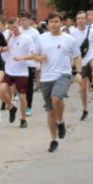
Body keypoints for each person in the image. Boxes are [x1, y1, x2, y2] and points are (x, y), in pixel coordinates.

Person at [22, 13, 80, 153]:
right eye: (51, 22)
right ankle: (54, 139)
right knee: (50, 111)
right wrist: (39, 58)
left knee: (57, 98)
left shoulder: (69, 39)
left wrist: (78, 72)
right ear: (47, 24)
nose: (53, 24)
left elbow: (77, 56)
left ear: (61, 23)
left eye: (56, 21)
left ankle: (60, 122)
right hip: (46, 77)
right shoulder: (42, 39)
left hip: (63, 74)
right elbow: (34, 54)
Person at [2, 17, 34, 128]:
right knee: (1, 90)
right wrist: (9, 36)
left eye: (15, 26)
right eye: (11, 27)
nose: (13, 29)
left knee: (21, 96)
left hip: (21, 71)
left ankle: (23, 118)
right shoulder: (7, 36)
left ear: (18, 24)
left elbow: (32, 54)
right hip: (9, 69)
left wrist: (22, 57)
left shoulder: (27, 38)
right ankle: (11, 107)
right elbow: (2, 47)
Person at [70, 11, 93, 121]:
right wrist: (72, 61)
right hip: (80, 61)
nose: (80, 20)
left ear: (86, 19)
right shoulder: (73, 33)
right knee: (82, 88)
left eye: (82, 18)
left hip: (91, 57)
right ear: (76, 20)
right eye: (78, 18)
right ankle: (85, 109)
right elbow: (72, 49)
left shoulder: (92, 32)